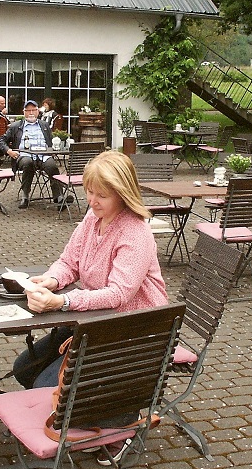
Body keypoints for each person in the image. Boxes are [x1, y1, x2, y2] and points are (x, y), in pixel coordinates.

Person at [11, 150, 168, 389]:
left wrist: (62, 302)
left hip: (132, 330)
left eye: (101, 195)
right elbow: (69, 262)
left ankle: (99, 414)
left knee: (45, 385)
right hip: (96, 321)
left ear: (122, 194)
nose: (92, 201)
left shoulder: (135, 233)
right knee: (24, 368)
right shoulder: (92, 218)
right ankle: (62, 415)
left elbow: (118, 295)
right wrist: (52, 280)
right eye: (89, 191)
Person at [0, 100, 67, 208]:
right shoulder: (16, 126)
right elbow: (1, 140)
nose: (31, 113)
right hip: (24, 155)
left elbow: (50, 142)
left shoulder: (44, 125)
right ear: (23, 112)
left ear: (38, 111)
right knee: (27, 163)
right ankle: (25, 196)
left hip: (43, 156)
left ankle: (59, 197)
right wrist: (9, 151)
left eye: (33, 110)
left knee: (52, 166)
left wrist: (52, 149)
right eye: (28, 110)